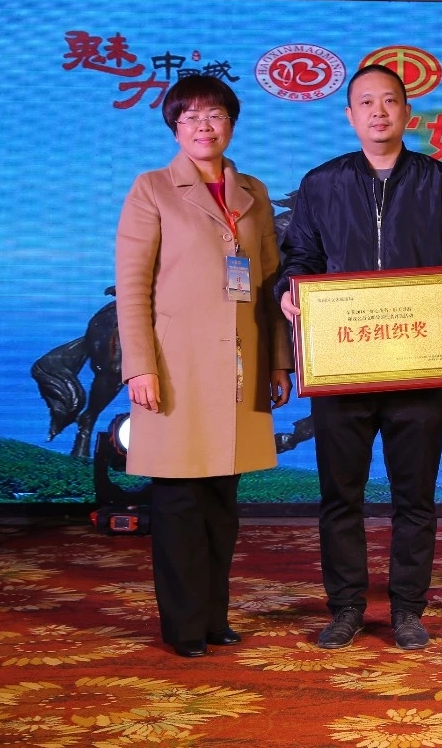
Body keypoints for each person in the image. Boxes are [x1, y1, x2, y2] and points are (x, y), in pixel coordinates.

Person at [277, 64, 442, 652]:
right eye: (365, 102)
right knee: (340, 495)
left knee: (414, 496)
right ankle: (345, 606)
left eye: (389, 101)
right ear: (349, 115)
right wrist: (290, 291)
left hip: (418, 365)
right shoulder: (321, 184)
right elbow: (299, 258)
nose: (378, 112)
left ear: (407, 113)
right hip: (341, 365)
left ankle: (408, 609)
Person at [116, 74, 293, 658]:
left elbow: (269, 284)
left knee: (222, 500)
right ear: (174, 127)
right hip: (175, 367)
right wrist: (139, 365)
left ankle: (215, 617)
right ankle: (184, 625)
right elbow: (132, 286)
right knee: (178, 501)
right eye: (189, 116)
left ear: (231, 124)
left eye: (214, 115)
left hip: (241, 368)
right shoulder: (152, 188)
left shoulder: (253, 192)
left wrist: (279, 361)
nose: (202, 126)